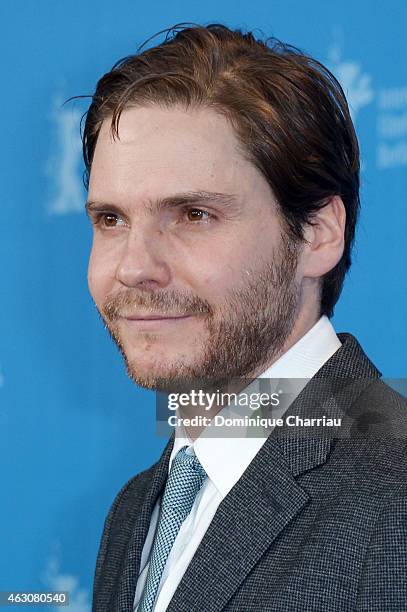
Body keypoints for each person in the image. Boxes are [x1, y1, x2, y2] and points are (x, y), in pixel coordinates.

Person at [83, 23, 407, 612]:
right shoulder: (136, 511)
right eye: (111, 219)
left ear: (316, 234)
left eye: (194, 214)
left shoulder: (396, 493)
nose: (134, 267)